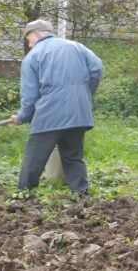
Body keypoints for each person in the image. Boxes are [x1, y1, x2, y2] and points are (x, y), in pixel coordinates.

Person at [11, 19, 103, 194]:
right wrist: (85, 93)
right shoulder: (77, 47)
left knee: (35, 157)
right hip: (79, 113)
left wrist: (22, 116)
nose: (29, 45)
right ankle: (80, 194)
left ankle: (23, 194)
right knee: (73, 156)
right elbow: (97, 67)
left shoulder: (33, 56)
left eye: (28, 39)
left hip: (50, 114)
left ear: (37, 34)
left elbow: (30, 94)